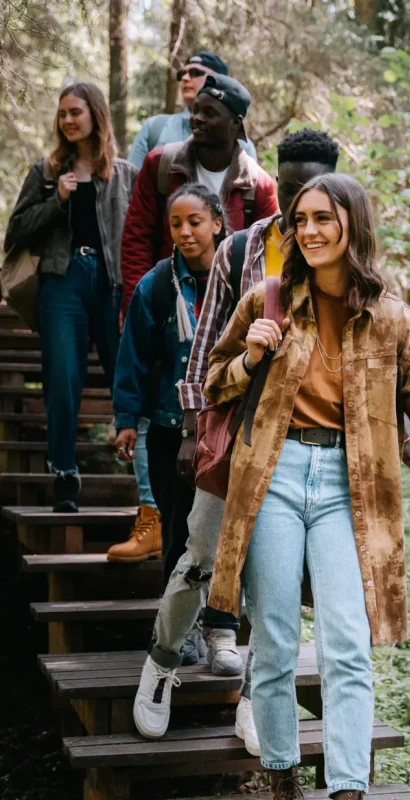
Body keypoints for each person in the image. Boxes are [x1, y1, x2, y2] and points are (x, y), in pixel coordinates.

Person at [203, 174, 410, 800]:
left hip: (348, 488)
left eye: (324, 218)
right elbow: (213, 382)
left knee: (347, 647)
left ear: (352, 224)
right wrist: (250, 357)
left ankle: (348, 789)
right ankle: (282, 780)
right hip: (270, 479)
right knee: (272, 644)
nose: (310, 231)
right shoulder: (268, 300)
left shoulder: (392, 322)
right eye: (300, 220)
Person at [131, 130, 342, 748]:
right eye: (293, 184)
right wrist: (195, 432)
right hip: (236, 428)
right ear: (279, 179)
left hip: (303, 444)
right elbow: (205, 350)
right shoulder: (245, 248)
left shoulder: (342, 258)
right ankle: (161, 664)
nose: (303, 200)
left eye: (316, 187)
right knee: (198, 560)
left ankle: (257, 697)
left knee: (278, 582)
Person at [4, 83, 137, 512]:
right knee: (62, 377)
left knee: (127, 377)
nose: (67, 120)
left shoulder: (124, 174)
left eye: (75, 112)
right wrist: (57, 200)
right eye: (62, 113)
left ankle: (145, 479)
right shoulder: (44, 173)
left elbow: (138, 238)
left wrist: (133, 293)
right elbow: (16, 231)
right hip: (62, 282)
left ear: (95, 115)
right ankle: (64, 474)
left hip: (113, 286)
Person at [110, 184, 225, 594]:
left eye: (195, 221)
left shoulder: (241, 280)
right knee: (177, 531)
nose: (185, 232)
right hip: (169, 429)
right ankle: (178, 631)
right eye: (175, 224)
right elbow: (134, 357)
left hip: (227, 429)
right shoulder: (156, 285)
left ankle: (220, 627)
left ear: (217, 222)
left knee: (225, 534)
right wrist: (126, 420)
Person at [120, 73, 278, 318]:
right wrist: (138, 305)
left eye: (210, 113)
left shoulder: (259, 185)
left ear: (235, 123)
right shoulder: (160, 165)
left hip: (230, 313)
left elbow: (269, 258)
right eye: (195, 111)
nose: (197, 119)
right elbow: (136, 239)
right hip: (166, 305)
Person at [127, 51, 257, 169]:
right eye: (182, 74)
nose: (185, 78)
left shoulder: (243, 147)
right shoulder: (154, 127)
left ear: (219, 80)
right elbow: (131, 182)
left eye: (195, 73)